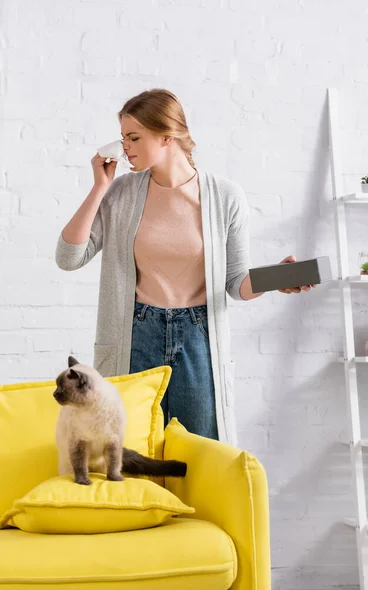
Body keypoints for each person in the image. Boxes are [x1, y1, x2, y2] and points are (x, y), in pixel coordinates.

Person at [55, 88, 315, 445]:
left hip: (198, 336)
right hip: (135, 333)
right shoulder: (121, 193)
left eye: (134, 137)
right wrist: (100, 187)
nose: (125, 147)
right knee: (131, 447)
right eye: (123, 138)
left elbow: (236, 283)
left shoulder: (225, 196)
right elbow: (69, 258)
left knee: (200, 446)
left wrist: (276, 279)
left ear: (167, 135)